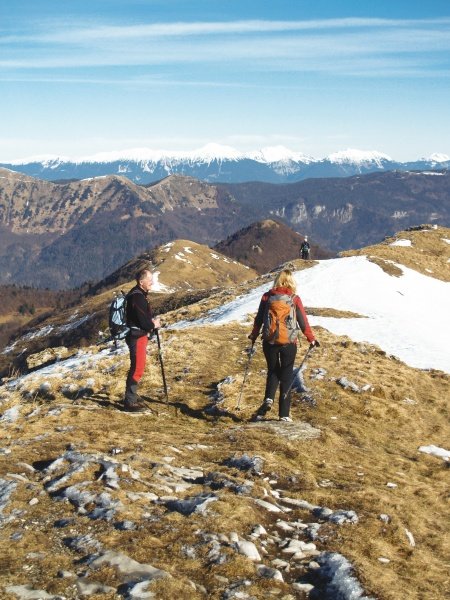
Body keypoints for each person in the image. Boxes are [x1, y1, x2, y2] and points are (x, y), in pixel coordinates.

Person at [248, 269, 319, 422]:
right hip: (289, 342)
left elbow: (259, 319)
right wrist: (311, 339)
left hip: (270, 341)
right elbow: (302, 321)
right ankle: (284, 415)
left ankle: (268, 399)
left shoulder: (267, 297)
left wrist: (254, 335)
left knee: (273, 371)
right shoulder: (294, 299)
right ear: (292, 282)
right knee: (286, 375)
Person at [124, 268, 161, 412]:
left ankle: (131, 396)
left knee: (136, 366)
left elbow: (142, 318)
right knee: (138, 368)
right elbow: (144, 323)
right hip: (137, 337)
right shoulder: (137, 297)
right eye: (149, 280)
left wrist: (150, 321)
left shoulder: (138, 295)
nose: (152, 282)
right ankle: (130, 402)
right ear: (141, 282)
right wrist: (154, 324)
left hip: (137, 335)